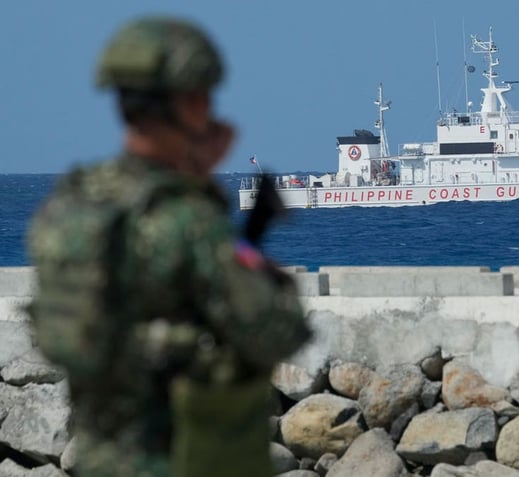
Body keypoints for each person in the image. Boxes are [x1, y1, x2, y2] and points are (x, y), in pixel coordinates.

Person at [26, 17, 311, 477]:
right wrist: (206, 192)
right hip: (187, 459)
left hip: (103, 458)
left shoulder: (69, 205)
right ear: (191, 102)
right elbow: (278, 330)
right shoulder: (187, 219)